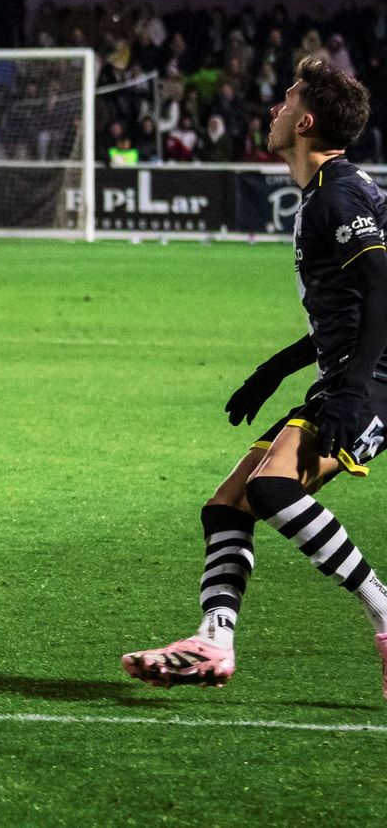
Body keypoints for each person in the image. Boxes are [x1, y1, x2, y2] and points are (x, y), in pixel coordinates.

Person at [122, 56, 387, 697]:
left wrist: (354, 392)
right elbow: (343, 311)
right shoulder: (325, 194)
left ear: (307, 121)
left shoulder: (341, 195)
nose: (275, 109)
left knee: (270, 490)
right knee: (227, 505)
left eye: (287, 99)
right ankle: (213, 640)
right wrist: (273, 371)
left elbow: (382, 289)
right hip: (350, 374)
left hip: (374, 382)